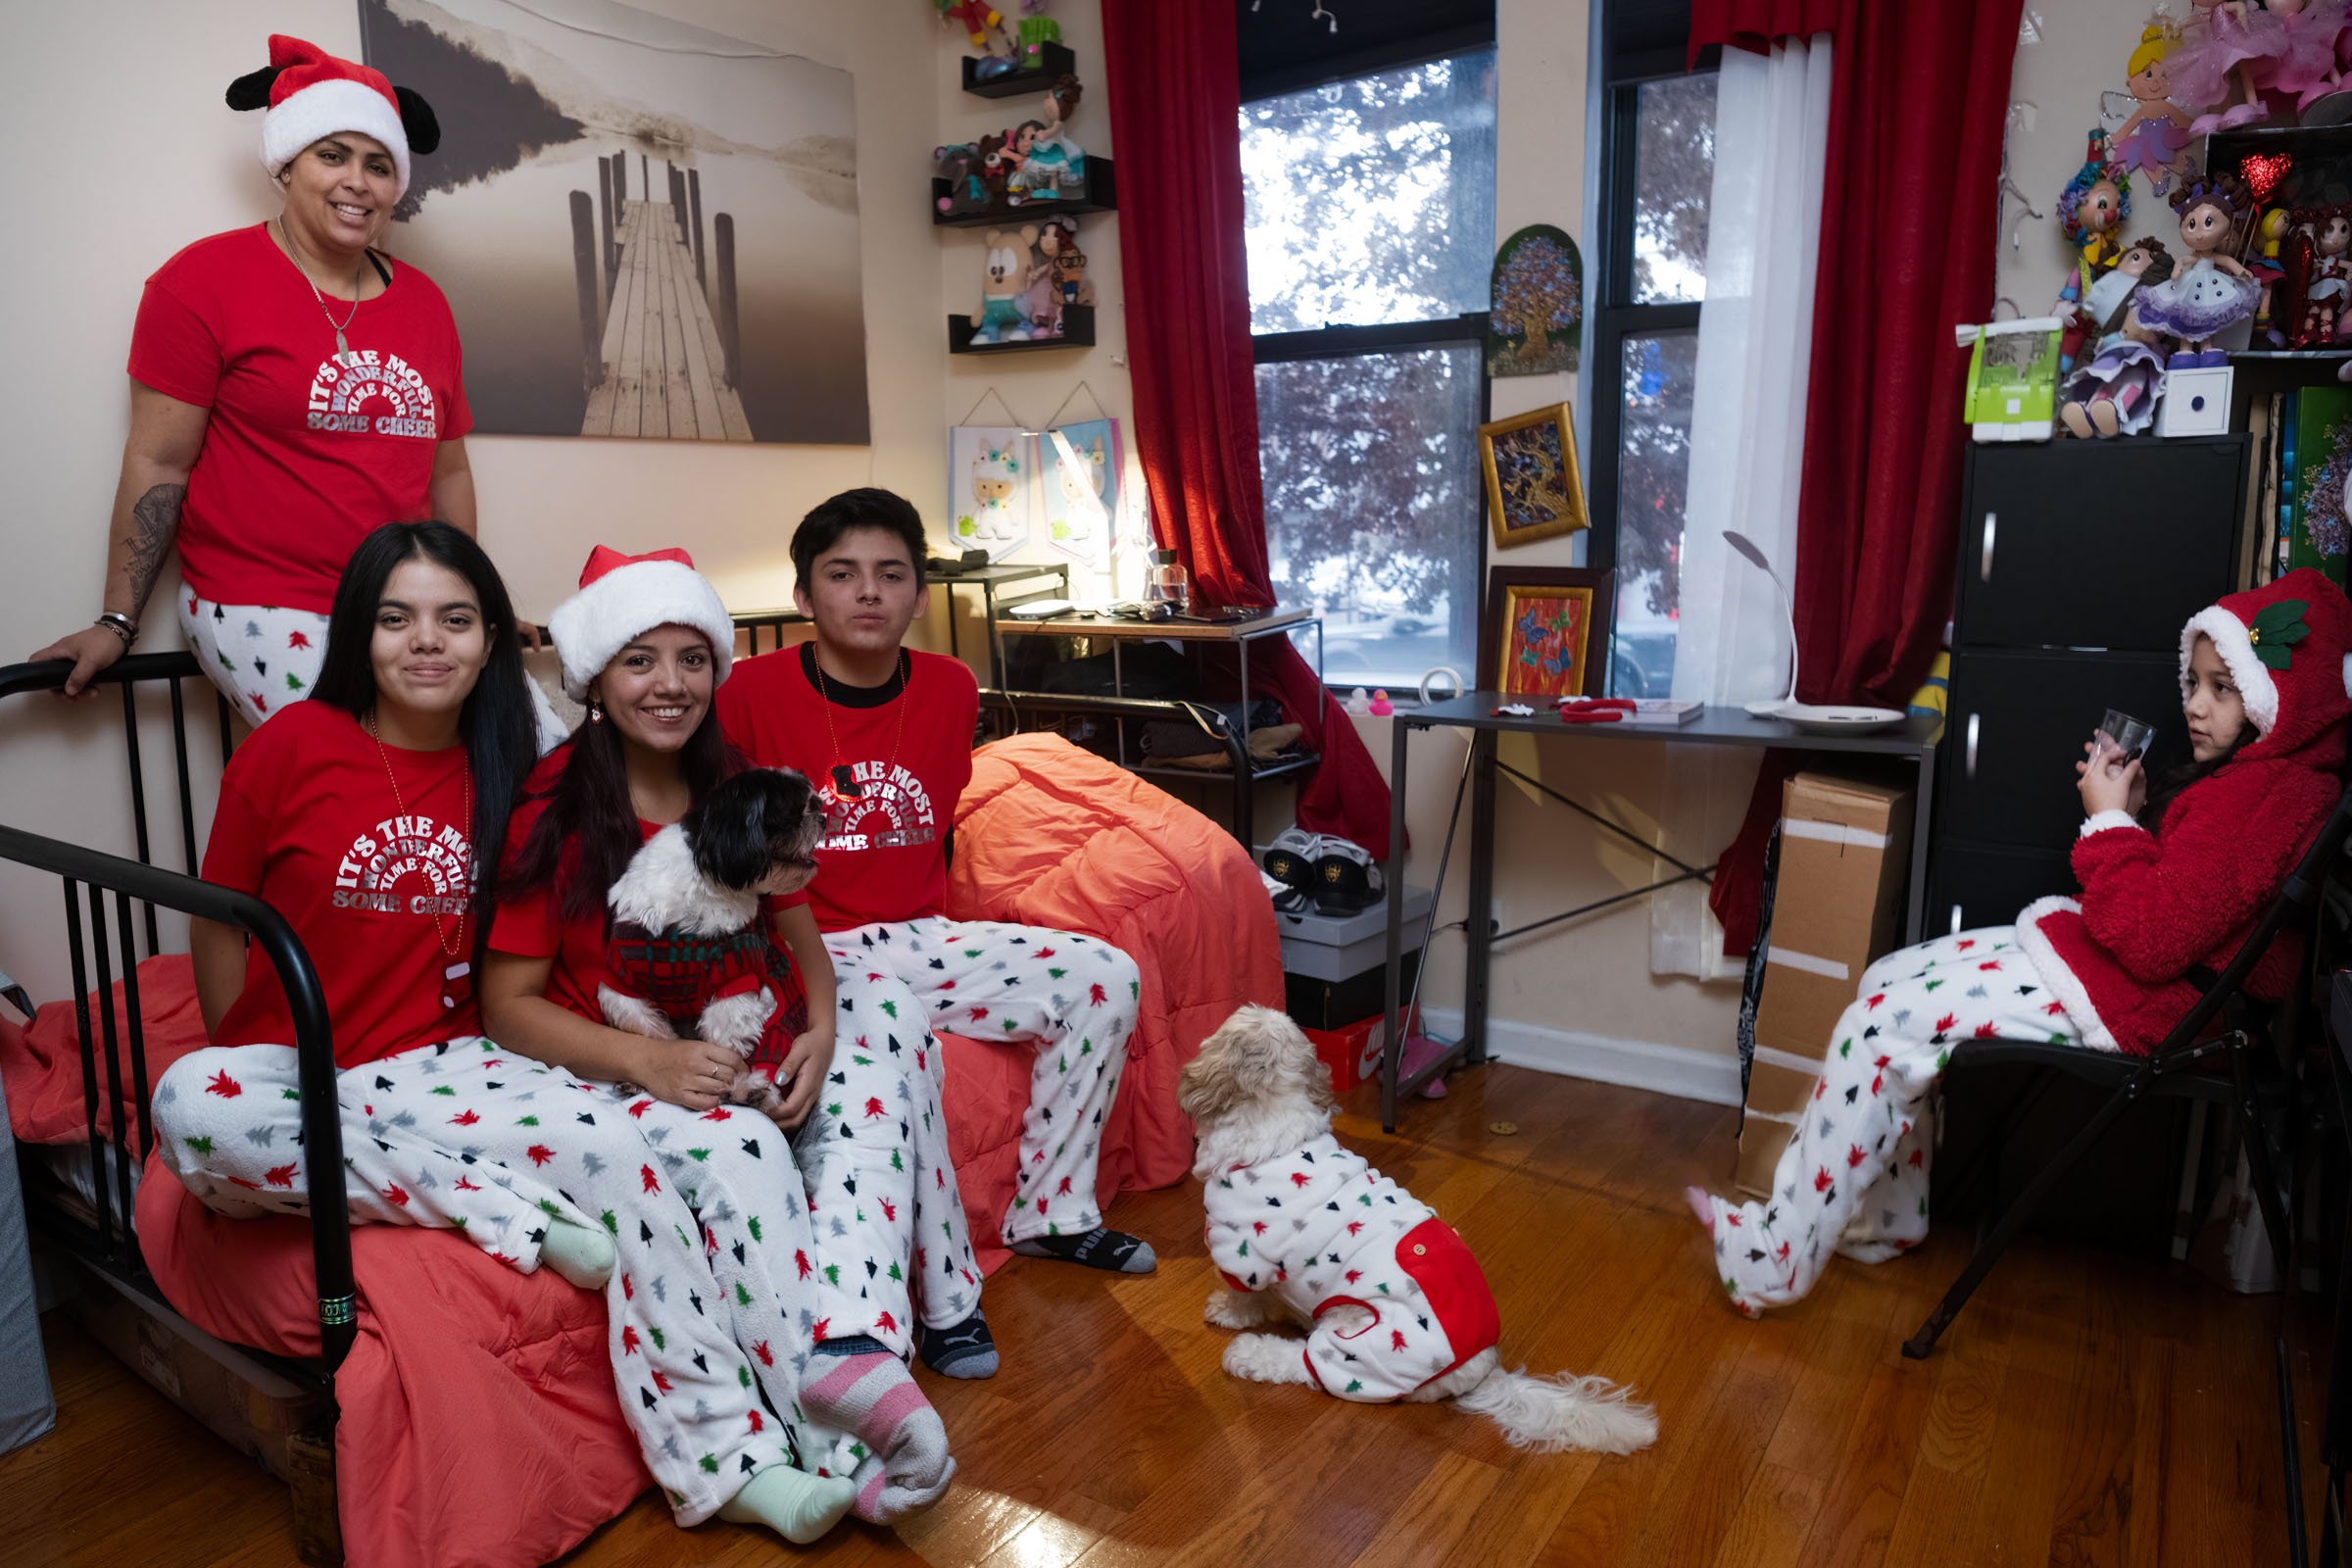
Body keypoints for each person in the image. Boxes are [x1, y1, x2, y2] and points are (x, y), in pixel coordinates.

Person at [148, 522, 858, 1544]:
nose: (425, 642)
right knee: (190, 1103)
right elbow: (221, 916)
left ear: (492, 640)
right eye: (396, 618)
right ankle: (507, 1212)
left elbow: (554, 954)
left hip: (448, 1063)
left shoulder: (519, 767)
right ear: (360, 632)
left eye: (455, 619)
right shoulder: (289, 746)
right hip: (298, 1072)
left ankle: (749, 1453)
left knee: (621, 1149)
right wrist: (246, 1044)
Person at [1689, 570, 2352, 1315]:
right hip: (2130, 975)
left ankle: (1772, 1262)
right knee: (1887, 978)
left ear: (2277, 701)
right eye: (2194, 682)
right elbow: (2185, 900)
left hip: (2150, 1003)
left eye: (2222, 689)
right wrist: (2127, 817)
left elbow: (2157, 937)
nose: (2194, 705)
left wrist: (2107, 822)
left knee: (1879, 1025)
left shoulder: (2270, 795)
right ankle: (1884, 1223)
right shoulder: (2258, 784)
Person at [480, 545, 957, 1522]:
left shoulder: (735, 782)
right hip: (616, 1049)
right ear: (596, 678)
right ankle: (839, 1446)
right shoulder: (555, 802)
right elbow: (509, 1005)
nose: (670, 683)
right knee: (740, 1141)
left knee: (873, 1061)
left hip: (746, 1019)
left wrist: (821, 1030)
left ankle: (860, 1344)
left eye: (691, 658)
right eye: (640, 659)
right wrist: (650, 1061)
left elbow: (795, 924)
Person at [714, 488, 1157, 1295]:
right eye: (842, 574)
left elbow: (941, 820)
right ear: (803, 597)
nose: (870, 592)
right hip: (803, 947)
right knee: (898, 1038)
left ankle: (1053, 1214)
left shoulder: (954, 687)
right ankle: (928, 1288)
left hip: (920, 935)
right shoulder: (745, 692)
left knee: (1105, 976)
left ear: (922, 595)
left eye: (891, 574)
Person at [30, 36, 474, 727]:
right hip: (264, 604)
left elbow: (446, 473)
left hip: (405, 608)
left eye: (379, 165)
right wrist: (116, 621)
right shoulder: (202, 283)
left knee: (534, 766)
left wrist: (466, 607)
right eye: (332, 155)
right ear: (286, 166)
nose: (358, 181)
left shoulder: (426, 302)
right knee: (364, 784)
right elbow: (159, 461)